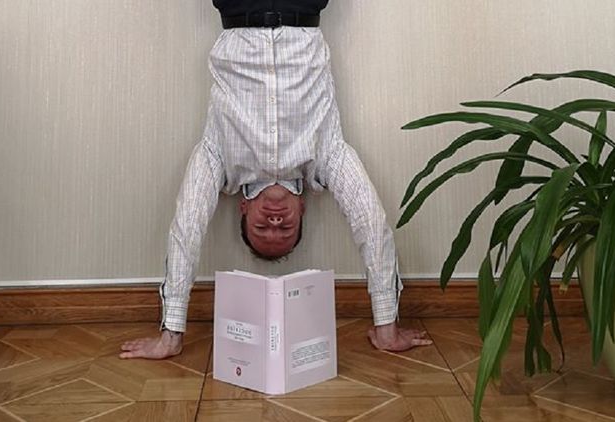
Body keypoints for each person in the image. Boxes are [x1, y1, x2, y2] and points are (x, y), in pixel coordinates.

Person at [120, 1, 432, 360]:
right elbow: (372, 225)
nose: (274, 222)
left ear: (244, 207)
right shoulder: (326, 156)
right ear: (301, 210)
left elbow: (185, 230)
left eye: (261, 228)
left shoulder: (218, 158)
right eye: (284, 230)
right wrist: (386, 326)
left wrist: (171, 334)